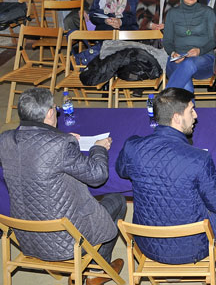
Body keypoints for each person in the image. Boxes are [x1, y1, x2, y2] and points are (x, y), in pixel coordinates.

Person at [0, 88, 126, 285]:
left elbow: (33, 152)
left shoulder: (5, 139)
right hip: (67, 241)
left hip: (26, 238)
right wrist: (98, 148)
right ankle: (98, 269)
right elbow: (97, 176)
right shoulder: (60, 145)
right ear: (51, 112)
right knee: (117, 199)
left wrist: (61, 138)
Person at [116, 87, 216, 271]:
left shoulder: (132, 147)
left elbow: (121, 171)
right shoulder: (199, 158)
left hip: (147, 245)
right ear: (176, 118)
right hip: (193, 249)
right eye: (191, 110)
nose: (196, 115)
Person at [162, 0, 216, 92]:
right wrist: (173, 53)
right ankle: (187, 105)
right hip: (177, 59)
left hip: (204, 59)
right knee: (184, 75)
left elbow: (214, 40)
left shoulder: (208, 12)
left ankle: (164, 98)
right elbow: (167, 41)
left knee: (187, 64)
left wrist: (200, 51)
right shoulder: (172, 13)